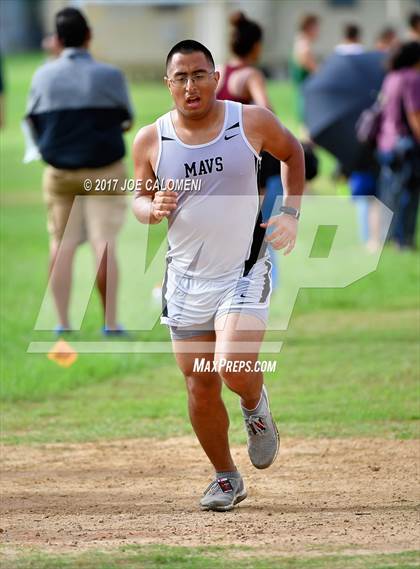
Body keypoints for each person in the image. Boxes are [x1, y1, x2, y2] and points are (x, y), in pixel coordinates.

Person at [133, 40, 304, 512]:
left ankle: (254, 405)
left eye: (199, 74)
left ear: (215, 76)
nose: (191, 85)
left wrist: (289, 211)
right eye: (180, 77)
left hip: (243, 268)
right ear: (168, 84)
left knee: (230, 366)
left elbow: (293, 154)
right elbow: (138, 199)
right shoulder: (151, 139)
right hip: (186, 278)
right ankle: (226, 478)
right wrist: (152, 208)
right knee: (199, 385)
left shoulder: (249, 121)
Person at [26, 8, 133, 334]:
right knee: (105, 244)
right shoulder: (110, 75)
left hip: (60, 173)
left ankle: (61, 322)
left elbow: (33, 120)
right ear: (88, 36)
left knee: (61, 243)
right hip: (104, 171)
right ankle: (110, 323)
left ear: (57, 40)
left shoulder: (43, 75)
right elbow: (126, 119)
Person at [377, 42, 420, 250]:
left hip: (385, 142)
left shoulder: (391, 77)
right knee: (408, 195)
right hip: (405, 144)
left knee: (389, 193)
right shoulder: (412, 78)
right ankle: (404, 242)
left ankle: (386, 237)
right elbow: (414, 115)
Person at [290, 13, 320, 122]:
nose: (318, 31)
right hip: (307, 92)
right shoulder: (304, 47)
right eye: (316, 27)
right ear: (309, 27)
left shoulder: (299, 42)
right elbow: (316, 71)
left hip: (303, 91)